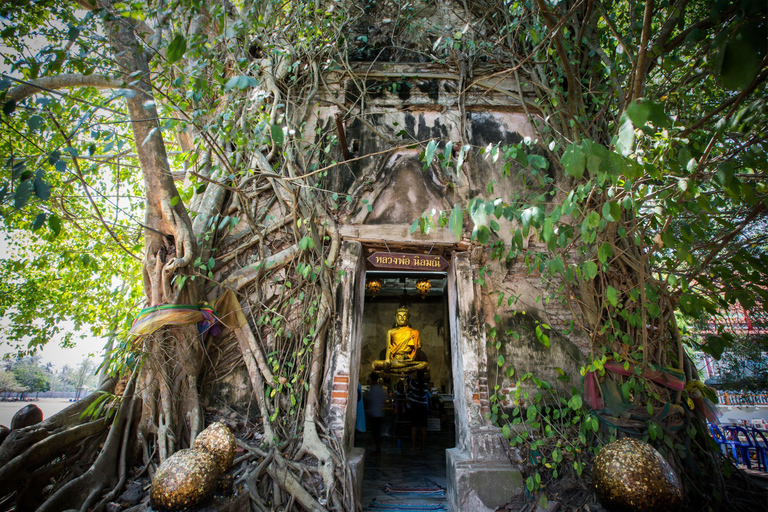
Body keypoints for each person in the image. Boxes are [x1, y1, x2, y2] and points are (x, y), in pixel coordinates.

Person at [372, 306, 429, 374]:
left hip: (407, 361)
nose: (402, 318)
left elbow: (418, 347)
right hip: (395, 360)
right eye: (399, 316)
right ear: (396, 318)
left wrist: (412, 358)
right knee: (375, 363)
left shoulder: (414, 332)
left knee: (425, 365)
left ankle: (395, 370)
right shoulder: (391, 332)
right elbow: (389, 348)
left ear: (408, 318)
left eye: (404, 316)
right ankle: (404, 370)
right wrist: (387, 359)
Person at [406, 370, 430, 451]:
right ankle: (423, 446)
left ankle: (414, 446)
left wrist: (411, 375)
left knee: (414, 427)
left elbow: (406, 379)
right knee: (423, 427)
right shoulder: (426, 385)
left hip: (415, 406)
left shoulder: (413, 384)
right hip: (423, 406)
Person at [365, 376, 387, 454]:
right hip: (379, 412)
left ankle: (378, 449)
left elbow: (368, 399)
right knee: (377, 432)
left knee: (376, 432)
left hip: (374, 413)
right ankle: (378, 448)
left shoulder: (373, 389)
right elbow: (383, 400)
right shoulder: (380, 389)